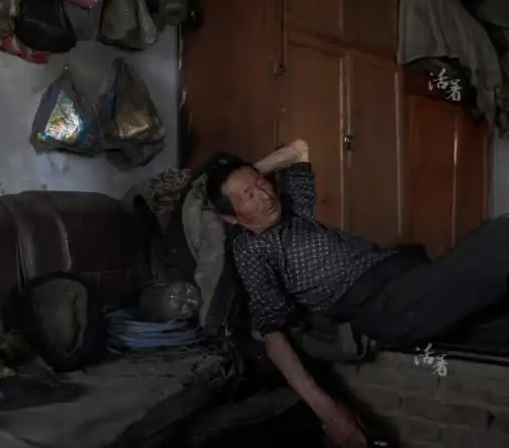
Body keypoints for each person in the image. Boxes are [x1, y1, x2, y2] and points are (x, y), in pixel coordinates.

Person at [204, 139, 509, 447]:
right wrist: (333, 416)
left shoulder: (295, 211)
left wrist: (246, 174)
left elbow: (300, 149)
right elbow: (272, 335)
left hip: (407, 275)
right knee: (499, 240)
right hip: (381, 304)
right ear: (231, 217)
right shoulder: (252, 249)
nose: (265, 195)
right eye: (250, 196)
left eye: (262, 184)